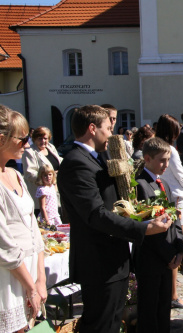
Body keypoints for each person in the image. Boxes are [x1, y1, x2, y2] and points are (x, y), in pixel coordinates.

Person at [57, 105, 171, 333]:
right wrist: (144, 228)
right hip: (98, 262)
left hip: (113, 260)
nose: (111, 134)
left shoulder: (99, 158)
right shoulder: (76, 163)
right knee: (100, 325)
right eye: (108, 128)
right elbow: (95, 214)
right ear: (92, 129)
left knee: (112, 323)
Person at [0, 105, 47, 333]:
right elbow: (4, 245)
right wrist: (30, 286)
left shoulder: (16, 174)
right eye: (22, 139)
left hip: (28, 274)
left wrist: (40, 280)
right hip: (8, 278)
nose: (27, 144)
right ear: (1, 139)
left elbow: (33, 228)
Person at [133, 137, 183, 333]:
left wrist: (179, 250)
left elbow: (175, 218)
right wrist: (168, 255)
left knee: (163, 308)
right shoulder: (140, 186)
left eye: (168, 160)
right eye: (162, 160)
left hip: (168, 257)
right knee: (149, 310)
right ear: (147, 158)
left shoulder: (165, 184)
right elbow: (147, 228)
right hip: (151, 257)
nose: (166, 165)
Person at [155, 114, 183, 309]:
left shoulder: (155, 146)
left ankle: (168, 291)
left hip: (163, 195)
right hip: (176, 197)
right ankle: (173, 294)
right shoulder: (171, 151)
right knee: (176, 245)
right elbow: (180, 175)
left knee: (165, 244)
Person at [22, 126, 63, 215]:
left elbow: (59, 161)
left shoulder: (50, 147)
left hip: (55, 192)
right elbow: (29, 174)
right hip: (41, 196)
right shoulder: (29, 152)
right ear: (34, 139)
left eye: (45, 138)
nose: (43, 141)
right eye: (40, 138)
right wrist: (48, 176)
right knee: (44, 224)